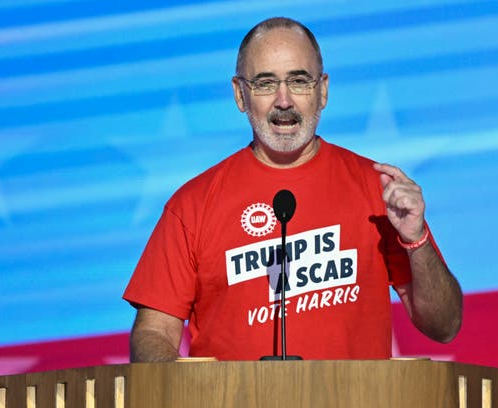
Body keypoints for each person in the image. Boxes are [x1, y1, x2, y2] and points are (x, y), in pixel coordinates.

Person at [123, 17, 462, 362]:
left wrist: (416, 240)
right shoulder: (192, 205)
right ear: (240, 94)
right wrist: (180, 397)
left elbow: (444, 325)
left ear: (323, 90)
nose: (283, 101)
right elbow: (154, 332)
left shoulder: (378, 190)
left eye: (299, 81)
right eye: (265, 84)